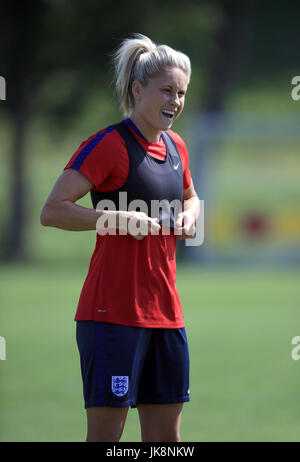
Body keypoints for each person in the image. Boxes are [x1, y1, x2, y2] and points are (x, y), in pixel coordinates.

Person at [40, 33, 200, 442]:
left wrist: (191, 214)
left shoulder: (176, 146)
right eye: (167, 90)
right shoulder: (108, 144)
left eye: (181, 93)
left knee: (166, 441)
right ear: (137, 89)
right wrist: (112, 219)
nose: (175, 101)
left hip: (166, 314)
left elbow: (192, 197)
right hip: (112, 316)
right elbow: (52, 210)